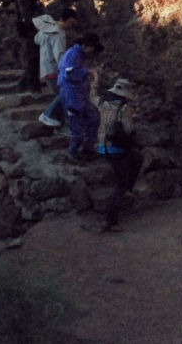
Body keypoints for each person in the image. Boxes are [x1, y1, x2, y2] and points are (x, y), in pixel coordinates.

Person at [97, 78, 144, 232]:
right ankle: (110, 220)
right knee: (121, 184)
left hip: (103, 148)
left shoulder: (103, 104)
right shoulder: (124, 109)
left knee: (135, 159)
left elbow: (92, 97)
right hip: (116, 149)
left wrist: (94, 82)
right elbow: (129, 130)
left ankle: (128, 190)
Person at [58, 33, 105, 162]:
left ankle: (88, 149)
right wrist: (88, 71)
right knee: (76, 125)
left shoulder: (79, 55)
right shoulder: (73, 54)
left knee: (94, 118)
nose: (92, 51)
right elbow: (69, 74)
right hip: (71, 94)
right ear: (86, 46)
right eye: (92, 48)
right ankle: (73, 152)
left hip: (80, 93)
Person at [10, 0, 50, 92]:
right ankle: (34, 88)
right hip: (27, 27)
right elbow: (26, 13)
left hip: (33, 24)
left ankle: (23, 85)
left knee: (35, 57)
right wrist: (38, 27)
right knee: (32, 58)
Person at [36, 9, 78, 128]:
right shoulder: (58, 34)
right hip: (55, 69)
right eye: (69, 23)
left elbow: (37, 39)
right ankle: (48, 114)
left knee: (61, 97)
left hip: (45, 66)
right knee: (65, 93)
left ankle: (60, 124)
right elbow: (59, 55)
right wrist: (66, 70)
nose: (70, 26)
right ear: (62, 20)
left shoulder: (48, 27)